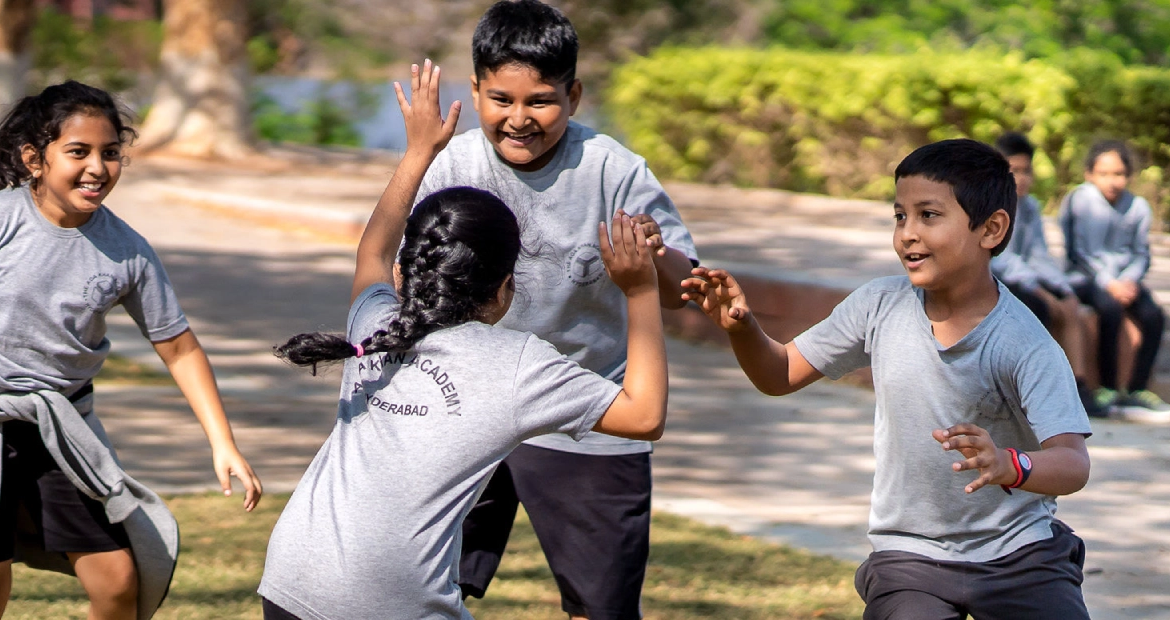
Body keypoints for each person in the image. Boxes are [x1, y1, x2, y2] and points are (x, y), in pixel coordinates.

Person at [0, 80, 262, 620]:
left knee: (118, 580)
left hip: (63, 429)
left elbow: (178, 346)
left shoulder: (128, 252)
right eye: (78, 152)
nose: (97, 168)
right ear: (35, 159)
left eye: (110, 153)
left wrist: (223, 443)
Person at [256, 60, 670, 620]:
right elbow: (643, 417)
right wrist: (640, 289)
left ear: (406, 275)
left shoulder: (373, 323)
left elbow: (372, 251)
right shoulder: (516, 362)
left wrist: (417, 151)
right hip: (394, 606)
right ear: (505, 289)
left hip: (290, 582)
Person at [684, 139, 1094, 619]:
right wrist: (743, 328)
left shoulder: (1024, 342)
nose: (908, 235)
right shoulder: (878, 306)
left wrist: (1011, 464)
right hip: (911, 555)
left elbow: (1072, 463)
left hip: (1020, 554)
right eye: (900, 216)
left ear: (992, 229)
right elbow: (779, 373)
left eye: (929, 215)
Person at [424, 2, 699, 617]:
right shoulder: (452, 164)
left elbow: (687, 283)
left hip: (587, 412)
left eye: (540, 101)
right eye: (501, 100)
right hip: (462, 404)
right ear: (475, 91)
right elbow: (403, 268)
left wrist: (656, 256)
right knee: (423, 585)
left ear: (573, 94)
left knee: (600, 604)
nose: (519, 119)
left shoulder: (616, 172)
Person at [1060, 140, 1170, 417]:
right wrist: (1109, 283)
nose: (1112, 181)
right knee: (1109, 310)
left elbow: (1141, 253)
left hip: (1126, 279)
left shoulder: (1138, 207)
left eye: (1119, 174)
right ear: (1090, 174)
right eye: (1104, 173)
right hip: (1087, 277)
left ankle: (1136, 388)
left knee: (1153, 315)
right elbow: (1079, 252)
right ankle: (1108, 388)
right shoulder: (1080, 200)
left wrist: (1129, 281)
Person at [989, 132, 1092, 412]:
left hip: (1023, 278)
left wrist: (1062, 289)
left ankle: (1079, 388)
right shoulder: (991, 204)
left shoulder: (1030, 206)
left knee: (1070, 307)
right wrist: (1042, 293)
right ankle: (1032, 392)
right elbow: (1002, 260)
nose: (1021, 178)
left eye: (1026, 171)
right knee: (1038, 309)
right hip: (996, 280)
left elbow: (1038, 255)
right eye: (1015, 171)